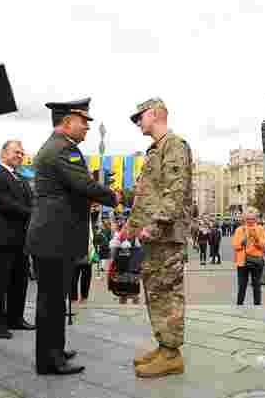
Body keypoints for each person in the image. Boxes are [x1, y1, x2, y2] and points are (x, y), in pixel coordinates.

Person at [26, 97, 119, 376]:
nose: (87, 127)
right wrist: (115, 197)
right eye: (83, 121)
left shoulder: (56, 146)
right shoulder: (64, 149)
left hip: (53, 235)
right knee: (52, 301)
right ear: (67, 123)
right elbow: (84, 184)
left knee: (54, 299)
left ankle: (55, 349)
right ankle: (50, 359)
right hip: (55, 237)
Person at [119, 97, 192, 378]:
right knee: (155, 293)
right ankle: (164, 347)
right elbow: (147, 196)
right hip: (153, 236)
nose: (138, 122)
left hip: (166, 236)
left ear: (156, 114)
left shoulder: (173, 145)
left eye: (141, 116)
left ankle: (171, 354)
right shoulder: (156, 149)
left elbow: (175, 190)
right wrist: (130, 227)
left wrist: (157, 224)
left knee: (167, 293)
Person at [0, 140, 34, 339]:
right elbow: (5, 204)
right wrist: (33, 213)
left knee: (20, 282)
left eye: (21, 153)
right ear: (3, 153)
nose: (19, 156)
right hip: (1, 239)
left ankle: (15, 318)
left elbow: (30, 201)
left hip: (22, 239)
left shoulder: (21, 178)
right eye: (16, 152)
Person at [232, 210, 265, 306]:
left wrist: (257, 240)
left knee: (257, 285)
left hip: (256, 261)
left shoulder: (260, 229)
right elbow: (235, 245)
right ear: (245, 219)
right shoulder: (240, 230)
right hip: (242, 262)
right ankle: (239, 305)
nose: (250, 221)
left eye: (252, 219)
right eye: (248, 219)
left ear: (256, 219)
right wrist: (242, 242)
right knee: (242, 286)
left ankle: (257, 305)